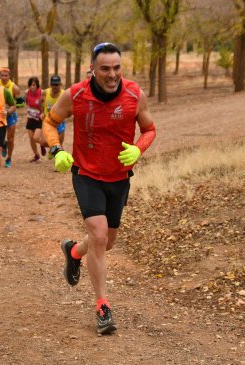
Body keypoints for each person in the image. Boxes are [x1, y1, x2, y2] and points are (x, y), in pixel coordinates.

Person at [42, 43, 156, 335]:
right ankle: (102, 307)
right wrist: (57, 151)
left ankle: (75, 253)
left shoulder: (134, 95)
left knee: (107, 242)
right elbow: (49, 122)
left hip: (118, 177)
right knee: (99, 235)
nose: (112, 74)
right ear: (92, 69)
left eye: (116, 68)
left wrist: (138, 149)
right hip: (87, 174)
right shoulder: (76, 94)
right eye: (105, 68)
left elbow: (150, 129)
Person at [0, 67, 20, 168]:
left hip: (11, 115)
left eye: (6, 75)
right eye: (2, 75)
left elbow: (17, 105)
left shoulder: (14, 88)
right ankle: (3, 145)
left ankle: (9, 158)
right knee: (0, 137)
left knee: (10, 139)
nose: (3, 77)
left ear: (9, 76)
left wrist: (8, 111)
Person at [39, 74, 65, 147]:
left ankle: (58, 156)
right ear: (50, 84)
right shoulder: (45, 92)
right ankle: (52, 148)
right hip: (48, 121)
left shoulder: (64, 94)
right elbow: (40, 102)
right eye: (53, 84)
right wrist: (41, 113)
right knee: (43, 142)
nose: (54, 86)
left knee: (59, 143)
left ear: (60, 84)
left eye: (56, 85)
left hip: (59, 121)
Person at [25, 76, 44, 162]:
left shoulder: (41, 92)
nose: (32, 87)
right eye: (30, 85)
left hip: (39, 119)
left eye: (34, 85)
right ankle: (36, 155)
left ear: (37, 85)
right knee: (31, 138)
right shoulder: (27, 92)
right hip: (30, 118)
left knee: (36, 138)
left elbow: (44, 105)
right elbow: (27, 103)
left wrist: (43, 113)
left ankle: (42, 144)